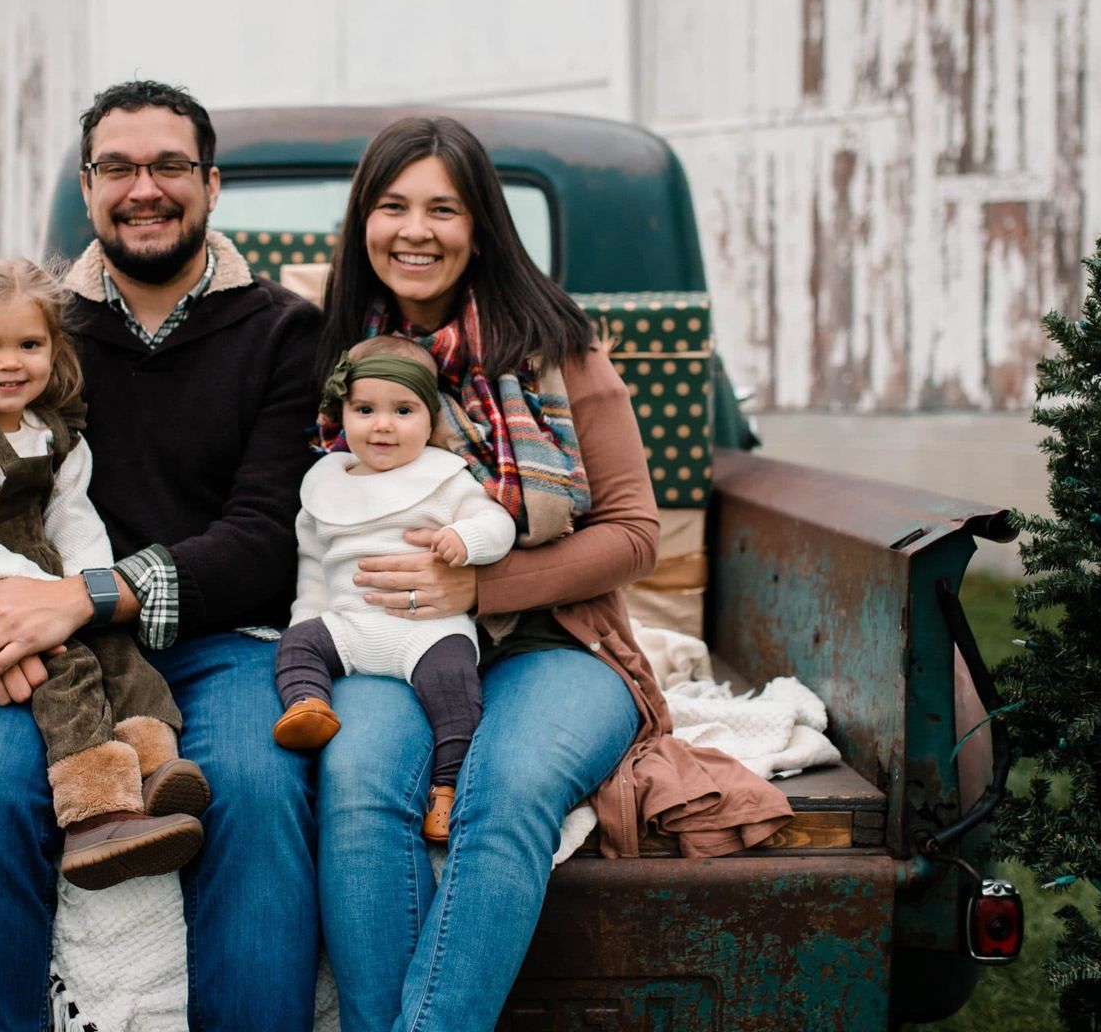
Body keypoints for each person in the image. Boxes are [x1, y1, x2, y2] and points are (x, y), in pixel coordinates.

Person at [0, 81, 322, 1032]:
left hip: (220, 637)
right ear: (88, 189)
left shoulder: (280, 331)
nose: (145, 187)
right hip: (44, 651)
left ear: (210, 184)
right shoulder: (35, 329)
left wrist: (81, 598)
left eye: (169, 165)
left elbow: (264, 539)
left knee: (257, 800)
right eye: (118, 168)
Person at [312, 115, 792, 1032]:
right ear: (362, 223)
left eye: (443, 209)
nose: (416, 230)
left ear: (482, 225)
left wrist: (480, 590)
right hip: (387, 645)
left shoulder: (555, 347)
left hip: (556, 644)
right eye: (393, 205)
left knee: (509, 787)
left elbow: (635, 533)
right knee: (362, 785)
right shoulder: (334, 354)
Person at [0, 254, 208, 890]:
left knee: (119, 649)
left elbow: (73, 518)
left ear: (53, 348)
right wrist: (33, 596)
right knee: (69, 670)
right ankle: (95, 815)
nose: (12, 362)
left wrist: (83, 590)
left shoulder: (54, 435)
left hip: (53, 592)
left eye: (29, 344)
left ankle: (154, 768)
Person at [271, 335, 516, 843]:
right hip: (348, 624)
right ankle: (308, 707)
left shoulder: (445, 479)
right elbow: (313, 565)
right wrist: (307, 617)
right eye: (365, 409)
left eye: (403, 410)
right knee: (296, 646)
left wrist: (464, 539)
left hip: (424, 629)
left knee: (455, 689)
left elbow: (497, 523)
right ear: (343, 414)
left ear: (431, 421)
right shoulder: (324, 483)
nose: (383, 425)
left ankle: (445, 791)